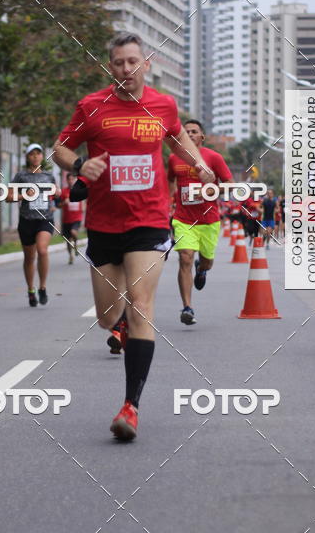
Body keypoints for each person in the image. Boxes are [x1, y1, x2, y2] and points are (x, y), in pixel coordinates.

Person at [53, 32, 215, 441]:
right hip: (104, 224)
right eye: (118, 63)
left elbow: (176, 138)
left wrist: (199, 164)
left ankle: (131, 407)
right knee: (109, 317)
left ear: (147, 64)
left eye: (132, 62)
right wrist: (79, 165)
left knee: (142, 305)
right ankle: (120, 324)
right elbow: (60, 148)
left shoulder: (163, 104)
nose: (126, 69)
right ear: (111, 67)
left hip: (149, 221)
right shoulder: (92, 106)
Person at [168, 119, 232, 325]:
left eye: (194, 131)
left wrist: (213, 188)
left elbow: (230, 185)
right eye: (186, 132)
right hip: (183, 219)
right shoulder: (174, 158)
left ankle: (202, 269)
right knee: (185, 258)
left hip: (209, 219)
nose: (190, 134)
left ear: (202, 137)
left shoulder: (214, 158)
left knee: (207, 261)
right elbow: (170, 181)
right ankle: (187, 307)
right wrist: (169, 202)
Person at [8, 145, 58, 307]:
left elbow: (55, 195)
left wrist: (56, 193)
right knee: (29, 258)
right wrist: (23, 195)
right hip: (26, 220)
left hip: (45, 219)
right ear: (27, 157)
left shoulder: (49, 176)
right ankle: (31, 290)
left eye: (38, 154)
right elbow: (8, 197)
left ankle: (42, 287)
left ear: (42, 157)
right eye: (32, 154)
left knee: (42, 250)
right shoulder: (21, 176)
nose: (35, 157)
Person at [58, 172, 84, 265]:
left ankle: (76, 244)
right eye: (69, 179)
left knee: (73, 232)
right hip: (66, 219)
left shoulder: (80, 190)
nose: (70, 181)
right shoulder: (63, 191)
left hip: (77, 217)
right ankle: (71, 256)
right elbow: (58, 205)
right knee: (68, 240)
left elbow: (85, 200)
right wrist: (64, 203)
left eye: (72, 179)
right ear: (67, 180)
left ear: (75, 180)